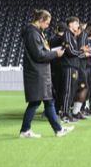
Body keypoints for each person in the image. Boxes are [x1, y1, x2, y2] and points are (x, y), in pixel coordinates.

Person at [19, 9, 71, 138]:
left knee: (45, 101)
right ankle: (28, 130)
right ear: (41, 20)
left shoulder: (36, 32)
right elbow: (38, 54)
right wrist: (55, 54)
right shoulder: (32, 33)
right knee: (38, 102)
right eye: (47, 23)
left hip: (40, 72)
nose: (48, 26)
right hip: (38, 73)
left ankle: (57, 129)